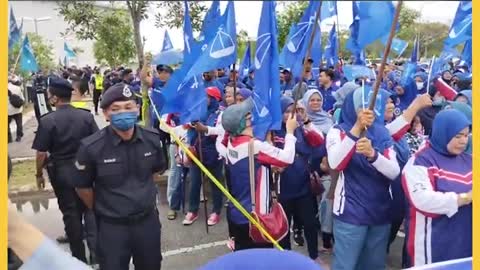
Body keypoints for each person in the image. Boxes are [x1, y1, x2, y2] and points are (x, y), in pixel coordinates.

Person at [73, 83, 167, 270]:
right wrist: (107, 207)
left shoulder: (152, 138)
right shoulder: (91, 147)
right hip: (112, 227)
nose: (123, 112)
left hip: (146, 222)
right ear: (106, 114)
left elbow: (156, 172)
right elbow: (83, 187)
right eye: (115, 109)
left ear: (137, 109)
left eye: (128, 107)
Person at [327, 88, 401, 270]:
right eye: (362, 107)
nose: (368, 112)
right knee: (346, 265)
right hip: (350, 213)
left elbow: (394, 171)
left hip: (380, 212)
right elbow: (336, 163)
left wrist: (373, 154)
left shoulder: (382, 132)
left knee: (374, 265)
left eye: (373, 107)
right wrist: (356, 130)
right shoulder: (337, 131)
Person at [31, 77, 99, 264]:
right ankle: (97, 256)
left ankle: (79, 260)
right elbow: (97, 144)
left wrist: (38, 174)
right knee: (90, 210)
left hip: (62, 173)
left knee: (71, 215)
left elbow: (41, 153)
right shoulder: (86, 116)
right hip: (86, 170)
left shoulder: (47, 121)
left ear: (54, 98)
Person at [220, 97, 297, 251]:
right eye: (249, 116)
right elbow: (287, 158)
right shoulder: (254, 146)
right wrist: (290, 132)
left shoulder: (231, 143)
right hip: (256, 218)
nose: (253, 118)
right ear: (244, 123)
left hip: (237, 214)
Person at [402, 109, 472, 268]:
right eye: (458, 136)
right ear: (443, 133)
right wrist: (466, 198)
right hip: (432, 245)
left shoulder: (469, 161)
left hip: (464, 243)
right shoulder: (421, 162)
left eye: (466, 135)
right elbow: (422, 200)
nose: (463, 141)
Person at [273, 96, 325, 263]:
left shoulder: (301, 128)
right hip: (283, 190)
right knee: (284, 228)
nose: (291, 115)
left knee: (309, 224)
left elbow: (320, 144)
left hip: (303, 187)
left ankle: (313, 257)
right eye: (287, 111)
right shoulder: (272, 132)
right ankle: (286, 261)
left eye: (294, 111)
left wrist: (306, 119)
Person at [183, 87, 224, 226]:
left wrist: (205, 129)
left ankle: (216, 211)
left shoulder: (221, 114)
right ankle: (193, 210)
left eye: (205, 97)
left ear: (214, 99)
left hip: (214, 153)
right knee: (194, 182)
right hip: (197, 152)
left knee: (216, 183)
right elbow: (186, 128)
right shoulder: (196, 111)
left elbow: (221, 131)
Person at [8, 77, 25, 143]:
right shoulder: (17, 88)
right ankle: (19, 137)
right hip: (17, 109)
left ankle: (9, 138)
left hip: (7, 110)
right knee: (19, 123)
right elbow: (22, 99)